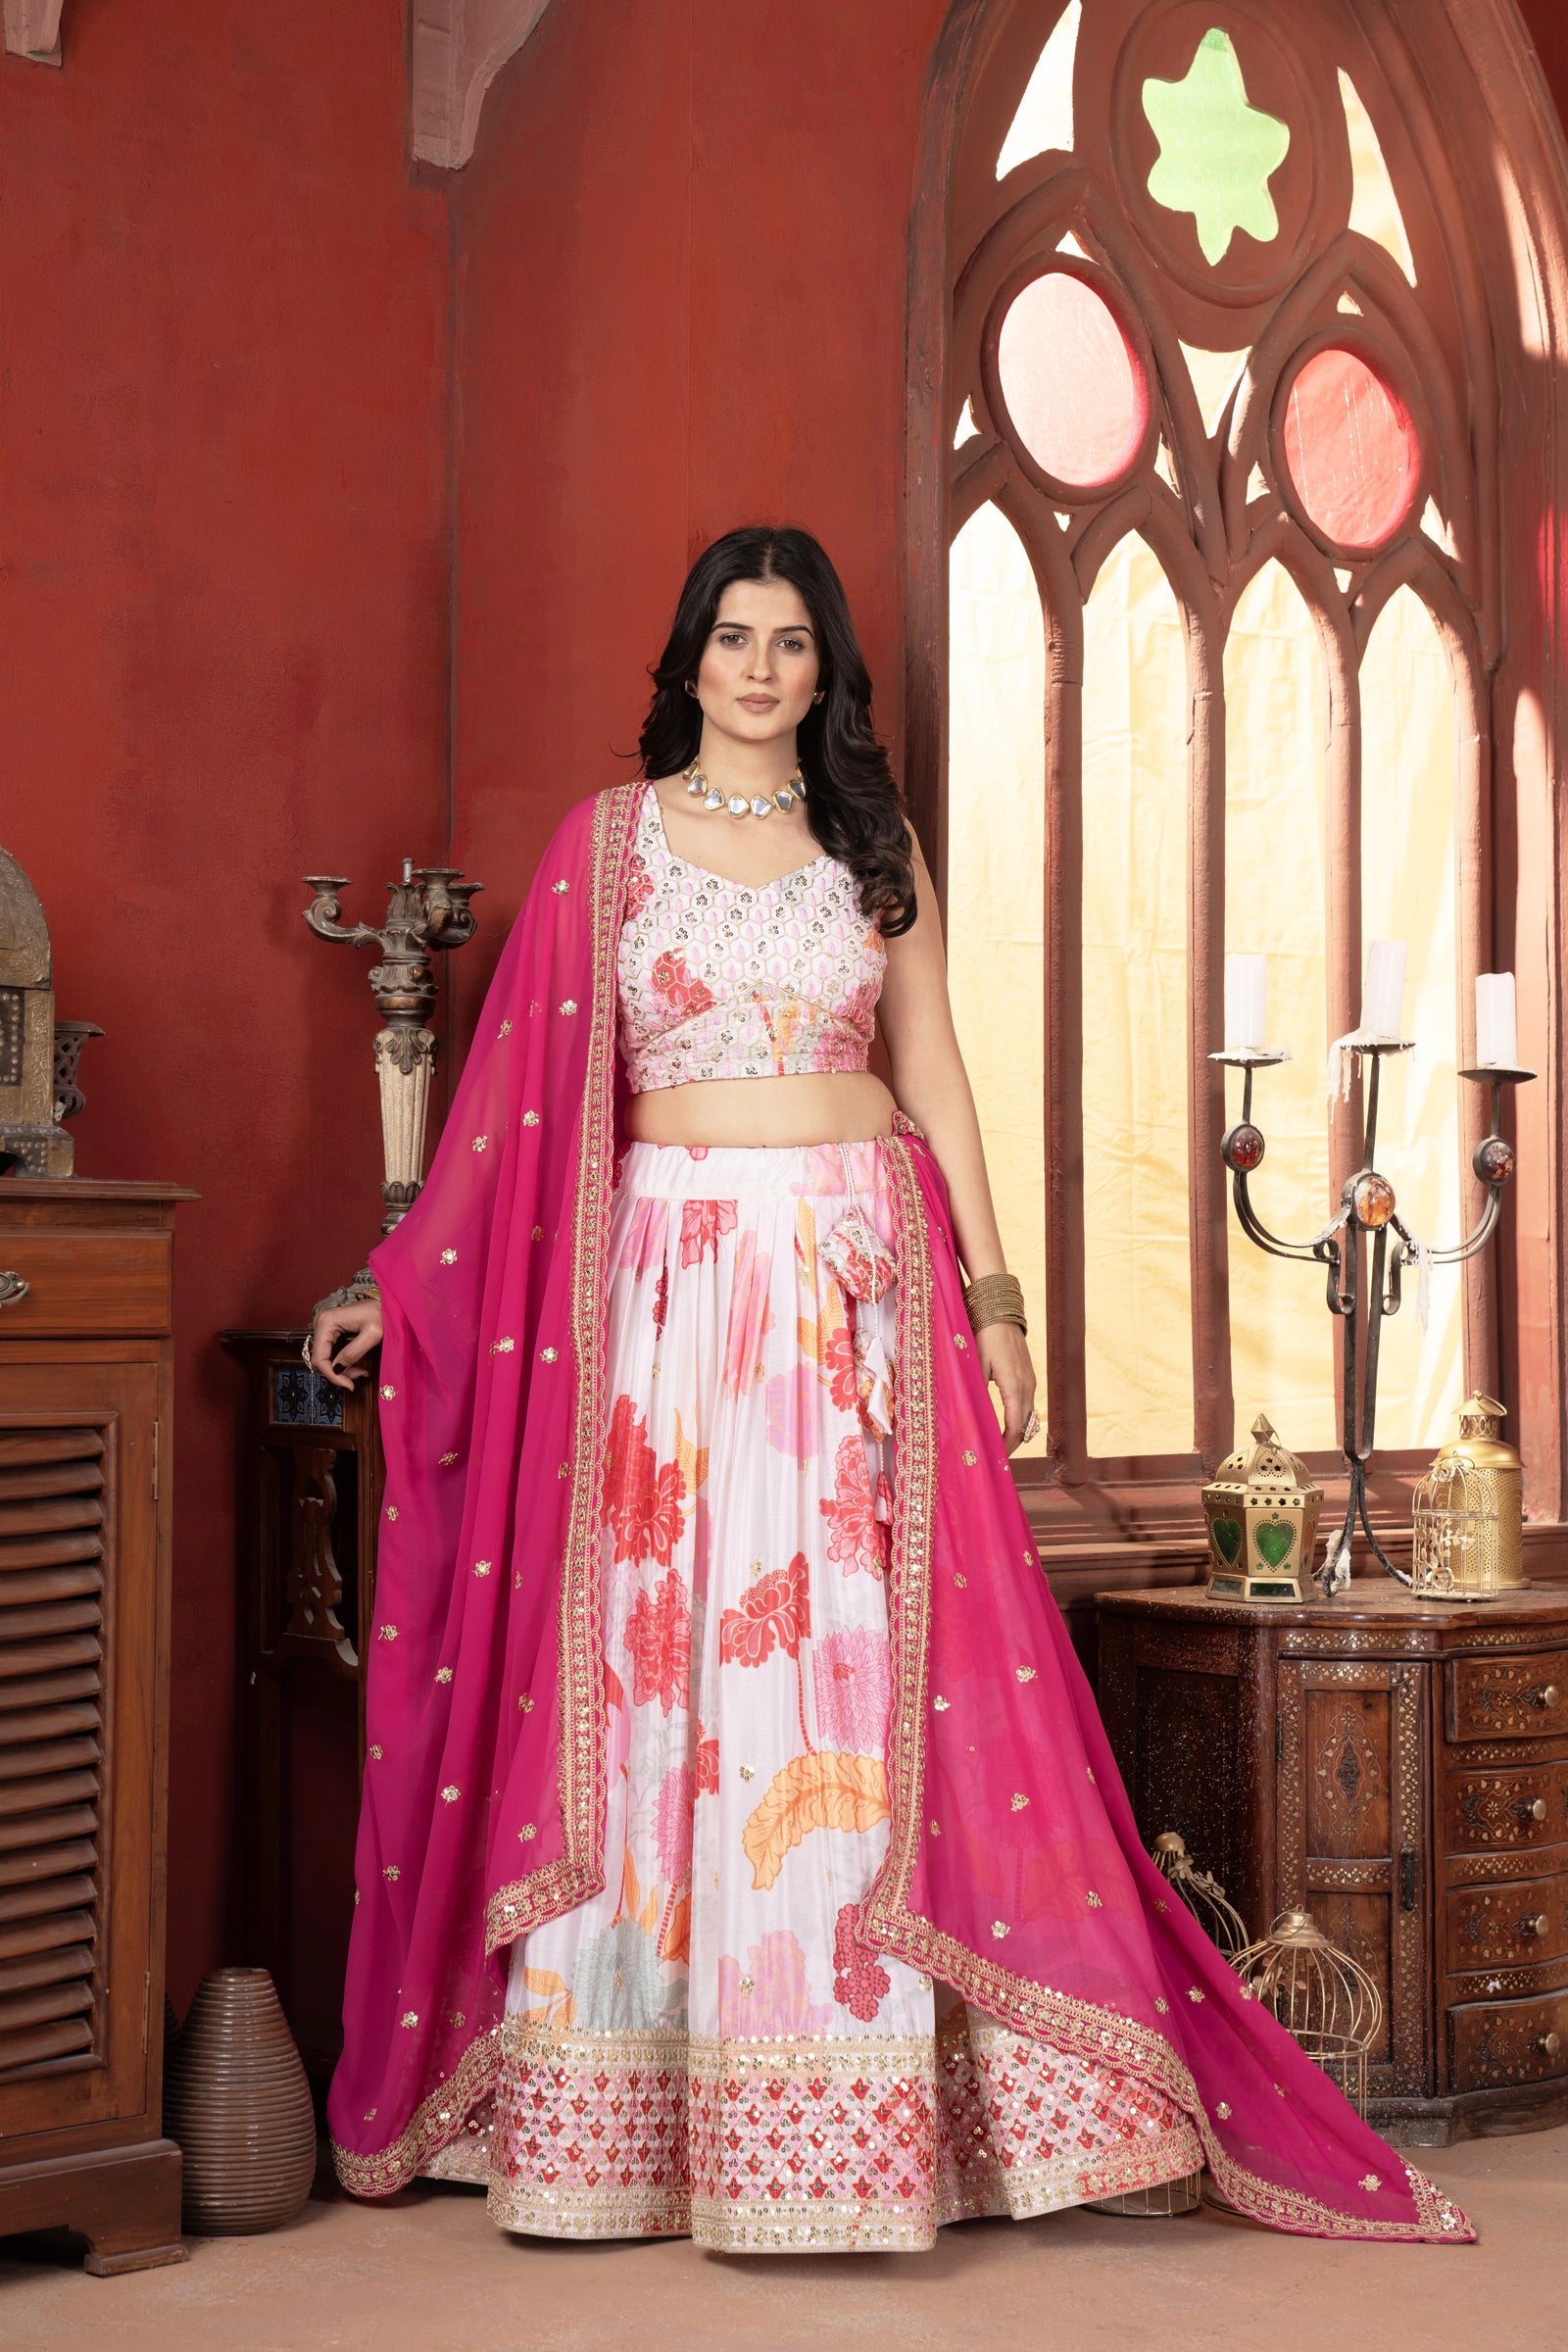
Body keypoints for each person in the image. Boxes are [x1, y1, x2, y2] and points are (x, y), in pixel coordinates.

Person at [310, 526, 1470, 2253]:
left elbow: (932, 1073)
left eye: (792, 643)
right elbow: (510, 1114)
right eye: (732, 636)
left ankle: (851, 2113)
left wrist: (997, 1304)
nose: (760, 668)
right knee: (667, 1660)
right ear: (687, 657)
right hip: (674, 1303)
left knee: (840, 1673)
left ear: (825, 673)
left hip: (851, 1286)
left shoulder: (871, 845)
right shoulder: (604, 849)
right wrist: (393, 1285)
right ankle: (641, 2115)